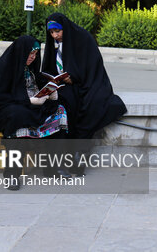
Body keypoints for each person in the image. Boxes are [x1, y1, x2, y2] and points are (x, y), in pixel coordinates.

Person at [0, 35, 69, 190]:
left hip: (29, 106)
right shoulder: (2, 67)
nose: (32, 58)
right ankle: (12, 175)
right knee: (19, 116)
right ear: (21, 52)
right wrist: (29, 101)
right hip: (2, 110)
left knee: (60, 111)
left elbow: (34, 87)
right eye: (30, 54)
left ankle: (51, 168)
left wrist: (50, 94)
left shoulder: (30, 68)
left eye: (35, 54)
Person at [42, 13, 127, 173]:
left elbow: (91, 67)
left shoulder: (81, 38)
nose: (55, 35)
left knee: (86, 106)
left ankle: (76, 156)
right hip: (64, 86)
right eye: (51, 33)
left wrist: (74, 77)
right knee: (58, 106)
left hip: (88, 84)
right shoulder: (54, 44)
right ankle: (59, 160)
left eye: (57, 31)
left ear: (64, 28)